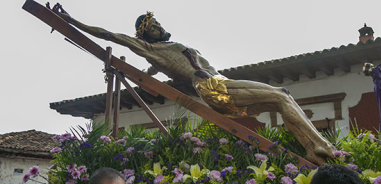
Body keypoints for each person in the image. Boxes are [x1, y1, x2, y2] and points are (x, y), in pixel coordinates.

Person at [53, 6, 335, 165]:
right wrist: (70, 20)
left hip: (221, 81)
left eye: (158, 22)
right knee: (281, 97)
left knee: (282, 96)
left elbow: (156, 70)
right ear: (143, 33)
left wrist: (151, 72)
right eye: (153, 25)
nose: (159, 26)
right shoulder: (148, 47)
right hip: (212, 87)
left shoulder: (162, 51)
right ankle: (320, 148)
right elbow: (109, 35)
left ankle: (315, 148)